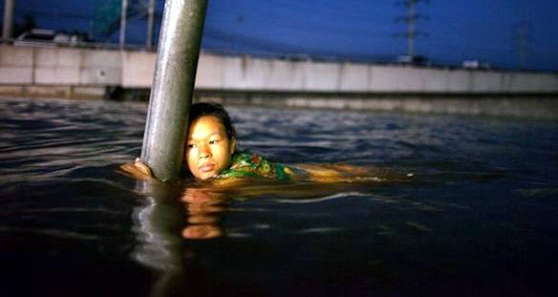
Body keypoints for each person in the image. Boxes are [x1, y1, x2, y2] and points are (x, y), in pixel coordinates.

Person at [122, 102, 377, 183]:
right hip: (297, 169)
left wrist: (148, 183)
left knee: (364, 177)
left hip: (313, 177)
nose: (203, 154)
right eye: (190, 146)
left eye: (213, 141)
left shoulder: (237, 173)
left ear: (232, 143)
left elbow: (213, 193)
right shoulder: (226, 168)